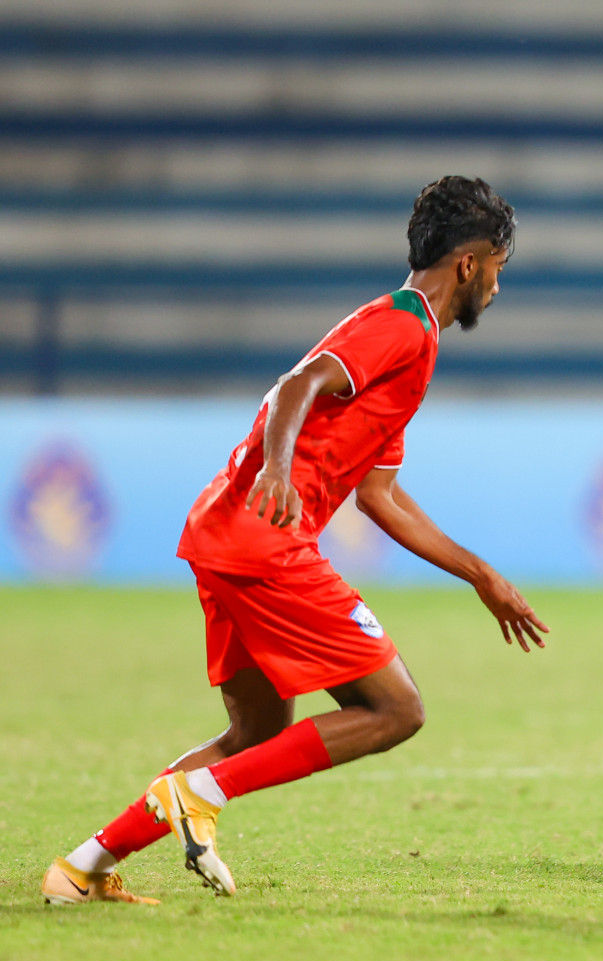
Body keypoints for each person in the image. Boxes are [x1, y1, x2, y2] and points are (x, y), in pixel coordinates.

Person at [42, 175, 548, 905]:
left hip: (223, 537)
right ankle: (201, 793)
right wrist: (279, 468)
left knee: (252, 732)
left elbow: (380, 496)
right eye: (499, 267)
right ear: (470, 264)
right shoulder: (401, 324)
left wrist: (480, 574)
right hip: (265, 542)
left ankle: (82, 867)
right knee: (396, 710)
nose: (499, 286)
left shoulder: (410, 343)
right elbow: (297, 383)